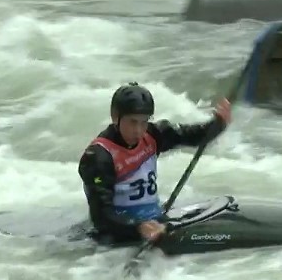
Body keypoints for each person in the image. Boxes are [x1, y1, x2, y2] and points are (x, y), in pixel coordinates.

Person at [77, 82, 232, 245]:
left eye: (144, 122)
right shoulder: (98, 157)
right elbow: (102, 217)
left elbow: (194, 135)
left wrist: (218, 124)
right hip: (117, 236)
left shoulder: (153, 135)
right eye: (132, 122)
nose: (138, 130)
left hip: (153, 222)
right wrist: (138, 228)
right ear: (115, 117)